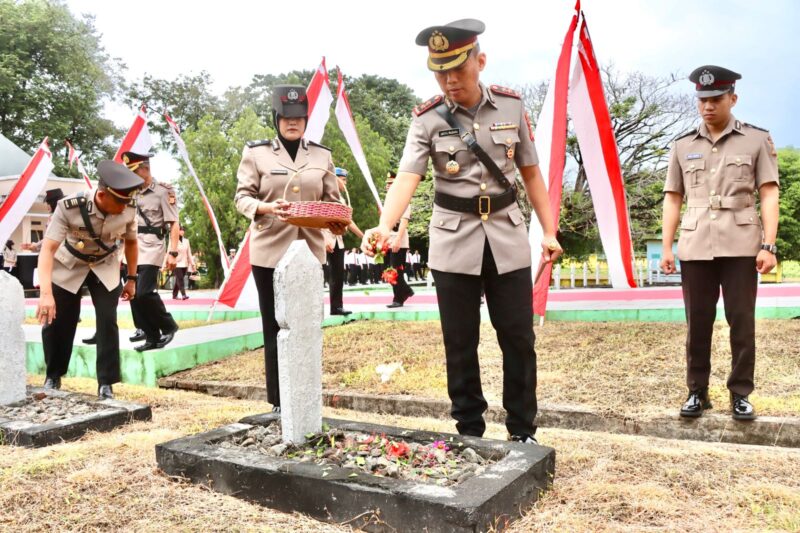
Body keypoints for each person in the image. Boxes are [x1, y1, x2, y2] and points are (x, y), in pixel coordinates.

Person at [362, 19, 562, 444]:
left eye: (458, 68)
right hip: (453, 240)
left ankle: (522, 430)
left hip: (507, 236)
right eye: (440, 71)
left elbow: (531, 172)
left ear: (480, 61)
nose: (450, 80)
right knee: (460, 340)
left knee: (518, 337)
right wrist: (385, 224)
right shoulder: (427, 118)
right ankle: (469, 430)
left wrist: (549, 229)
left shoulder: (511, 107)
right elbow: (407, 177)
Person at [660, 65, 779, 421]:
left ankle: (740, 392)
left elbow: (769, 193)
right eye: (702, 100)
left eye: (715, 99)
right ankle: (697, 390)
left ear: (732, 98)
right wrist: (667, 246)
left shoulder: (756, 139)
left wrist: (768, 245)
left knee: (741, 321)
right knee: (698, 321)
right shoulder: (683, 145)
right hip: (696, 243)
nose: (707, 106)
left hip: (743, 243)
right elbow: (672, 197)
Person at [234, 84, 346, 412]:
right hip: (270, 251)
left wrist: (335, 222)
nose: (292, 123)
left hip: (310, 253)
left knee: (307, 325)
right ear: (276, 118)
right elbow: (242, 197)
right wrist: (268, 209)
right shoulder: (256, 154)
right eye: (286, 117)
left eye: (298, 117)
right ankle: (278, 403)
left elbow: (332, 201)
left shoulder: (322, 155)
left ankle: (306, 397)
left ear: (306, 119)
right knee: (275, 326)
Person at [35, 161, 141, 399]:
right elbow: (48, 249)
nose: (124, 208)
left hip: (105, 265)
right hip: (69, 265)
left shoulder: (129, 206)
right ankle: (53, 375)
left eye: (126, 202)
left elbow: (132, 243)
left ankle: (106, 383)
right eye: (120, 203)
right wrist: (46, 294)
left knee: (107, 320)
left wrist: (132, 278)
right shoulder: (69, 207)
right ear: (102, 195)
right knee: (58, 321)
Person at [123, 149, 181, 352]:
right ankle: (151, 337)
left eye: (134, 171)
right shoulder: (131, 192)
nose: (131, 176)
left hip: (152, 246)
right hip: (131, 248)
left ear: (145, 169)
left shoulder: (163, 191)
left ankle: (168, 325)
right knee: (133, 295)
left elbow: (174, 224)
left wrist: (173, 252)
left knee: (145, 292)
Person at [322, 167, 364, 315]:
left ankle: (336, 307)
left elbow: (348, 221)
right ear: (334, 179)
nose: (345, 182)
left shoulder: (342, 199)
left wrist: (362, 236)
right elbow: (317, 220)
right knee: (318, 274)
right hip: (324, 240)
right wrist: (323, 239)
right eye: (343, 179)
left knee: (338, 275)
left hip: (338, 241)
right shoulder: (323, 195)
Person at [384, 172, 414, 308]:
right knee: (388, 270)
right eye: (386, 184)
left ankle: (398, 298)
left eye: (390, 183)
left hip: (398, 241)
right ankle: (406, 291)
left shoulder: (403, 198)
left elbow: (404, 222)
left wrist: (398, 240)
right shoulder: (388, 201)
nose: (387, 186)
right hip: (388, 240)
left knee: (395, 271)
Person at [172, 226, 195, 300]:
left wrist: (192, 263)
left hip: (184, 264)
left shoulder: (186, 241)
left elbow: (189, 253)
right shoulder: (174, 240)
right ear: (177, 231)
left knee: (178, 279)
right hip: (176, 263)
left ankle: (174, 295)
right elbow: (170, 251)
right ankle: (183, 295)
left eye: (183, 230)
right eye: (181, 230)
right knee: (180, 279)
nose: (182, 231)